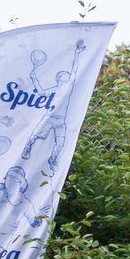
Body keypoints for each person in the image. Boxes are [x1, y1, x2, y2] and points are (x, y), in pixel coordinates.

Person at [20, 40, 87, 174]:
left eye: (68, 76)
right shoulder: (55, 89)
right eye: (64, 76)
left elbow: (74, 71)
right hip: (50, 117)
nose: (67, 77)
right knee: (35, 136)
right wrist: (34, 79)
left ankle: (53, 160)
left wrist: (77, 54)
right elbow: (41, 92)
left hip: (60, 121)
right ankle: (27, 147)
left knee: (60, 143)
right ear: (59, 79)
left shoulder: (68, 88)